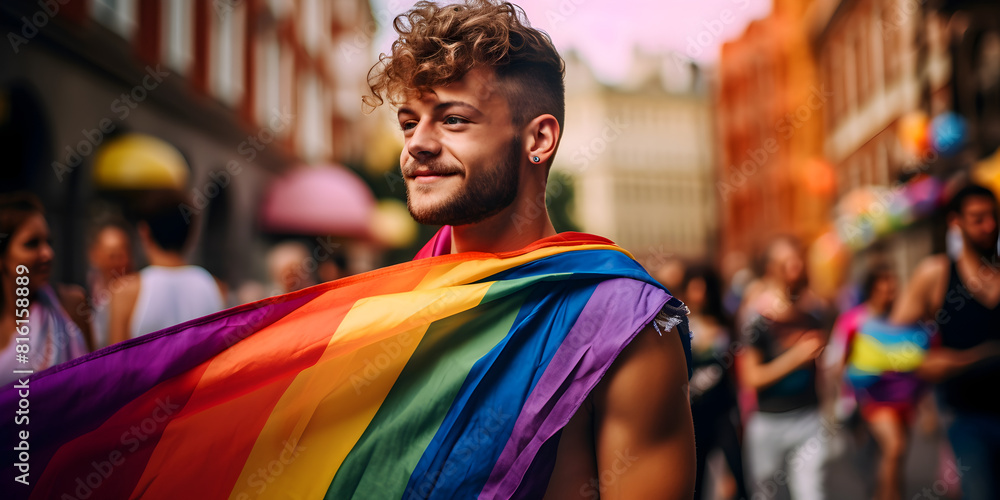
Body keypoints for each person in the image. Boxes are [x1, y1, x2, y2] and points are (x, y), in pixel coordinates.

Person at [891, 184, 1000, 500]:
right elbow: (895, 347)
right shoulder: (936, 275)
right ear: (956, 222)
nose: (989, 226)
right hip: (966, 417)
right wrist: (973, 358)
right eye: (978, 219)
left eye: (994, 217)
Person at [737, 235, 831, 500]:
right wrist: (797, 357)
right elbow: (751, 378)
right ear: (772, 269)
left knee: (811, 492)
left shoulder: (814, 313)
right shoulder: (757, 318)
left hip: (809, 417)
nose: (796, 268)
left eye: (799, 261)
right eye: (788, 263)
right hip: (769, 422)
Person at [830, 264, 920, 500]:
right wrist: (846, 399)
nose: (891, 292)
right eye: (884, 287)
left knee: (896, 457)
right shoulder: (853, 321)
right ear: (872, 289)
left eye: (893, 286)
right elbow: (838, 365)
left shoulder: (903, 317)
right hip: (870, 399)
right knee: (894, 447)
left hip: (904, 399)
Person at [108, 191, 226, 344]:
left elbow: (114, 363)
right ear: (192, 233)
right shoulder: (216, 288)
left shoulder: (126, 292)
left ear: (144, 232)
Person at [0, 192, 92, 386]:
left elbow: (97, 381)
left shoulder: (71, 304)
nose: (48, 254)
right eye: (32, 244)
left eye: (48, 242)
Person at [681, 263, 749, 500]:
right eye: (694, 289)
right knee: (696, 480)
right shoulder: (678, 324)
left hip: (723, 409)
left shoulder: (726, 323)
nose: (699, 295)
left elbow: (736, 365)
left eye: (704, 289)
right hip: (693, 413)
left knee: (740, 470)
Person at [85, 221, 134, 349]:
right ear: (95, 255)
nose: (118, 263)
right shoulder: (84, 298)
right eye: (112, 256)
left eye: (122, 255)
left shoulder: (140, 294)